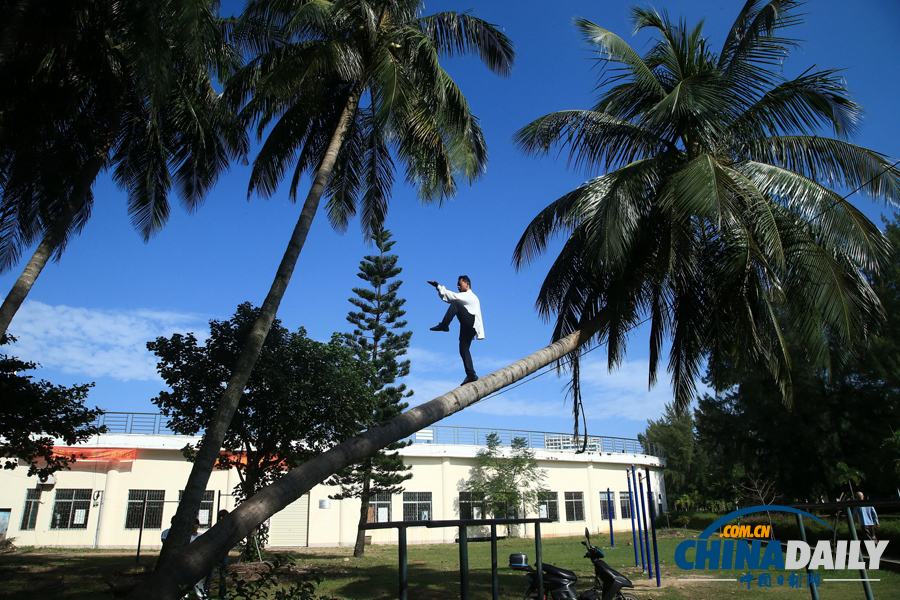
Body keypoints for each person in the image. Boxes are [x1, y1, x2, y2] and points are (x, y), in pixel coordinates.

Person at [428, 276, 484, 385]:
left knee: (455, 304)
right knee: (463, 349)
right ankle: (471, 374)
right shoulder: (467, 297)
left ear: (467, 284)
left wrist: (439, 287)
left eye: (460, 284)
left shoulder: (469, 296)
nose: (458, 287)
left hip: (470, 323)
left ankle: (444, 325)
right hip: (468, 326)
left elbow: (451, 297)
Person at [204, 509, 231, 599]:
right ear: (221, 518)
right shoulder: (216, 529)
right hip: (215, 554)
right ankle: (206, 591)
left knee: (223, 574)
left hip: (224, 554)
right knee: (211, 574)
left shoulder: (228, 529)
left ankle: (222, 593)